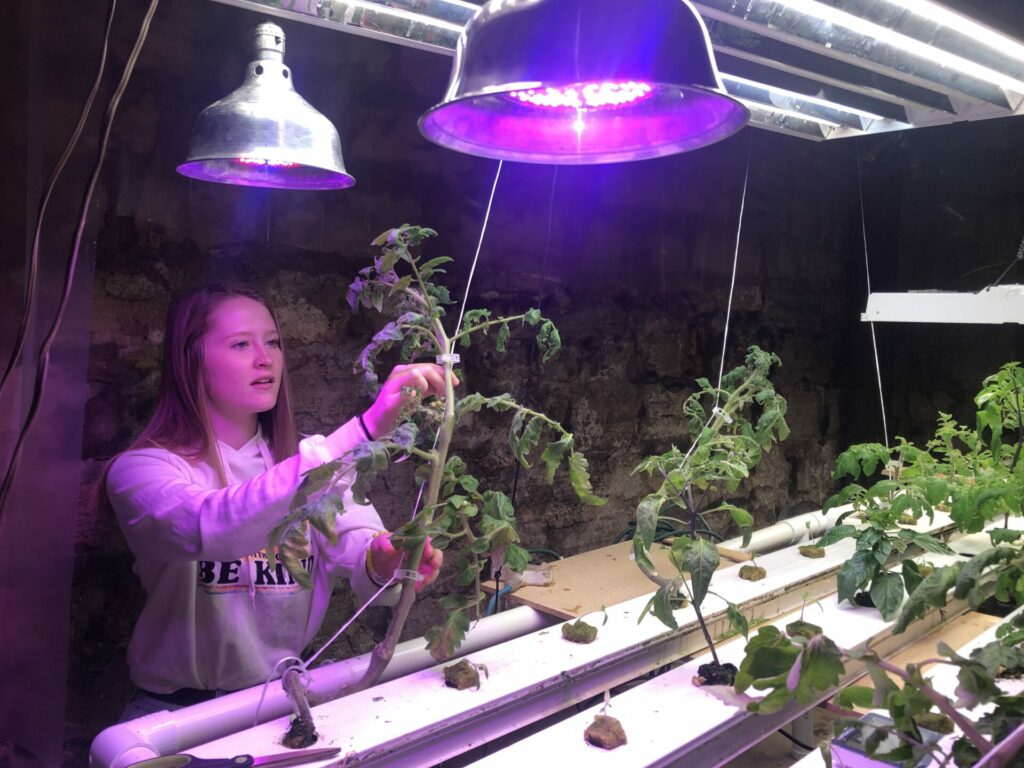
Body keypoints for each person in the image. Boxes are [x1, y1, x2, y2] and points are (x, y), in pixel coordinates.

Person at [104, 283, 449, 720]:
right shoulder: (143, 471)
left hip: (281, 706)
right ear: (190, 358)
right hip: (175, 718)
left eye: (271, 342)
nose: (264, 358)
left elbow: (360, 551)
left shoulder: (306, 461)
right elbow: (208, 526)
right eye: (240, 344)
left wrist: (388, 560)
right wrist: (363, 432)